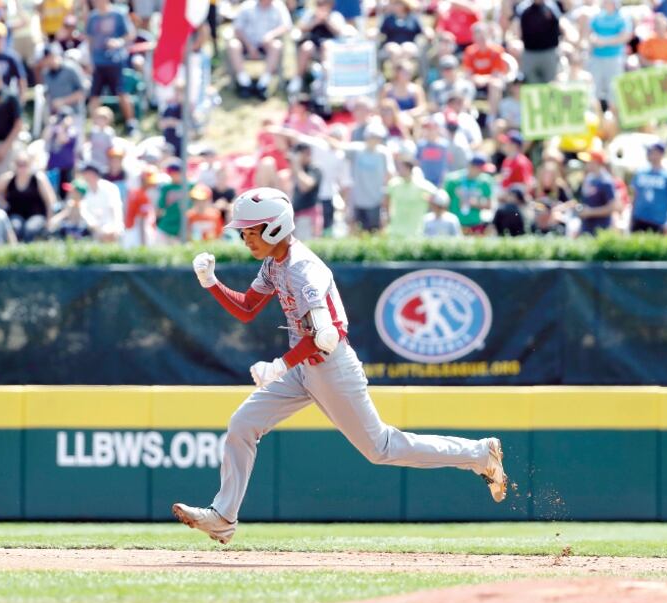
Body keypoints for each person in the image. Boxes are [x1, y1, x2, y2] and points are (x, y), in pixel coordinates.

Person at [171, 188, 507, 545]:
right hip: (303, 367)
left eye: (252, 231)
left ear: (274, 228)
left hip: (331, 367)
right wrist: (212, 283)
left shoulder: (303, 268)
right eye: (244, 231)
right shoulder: (273, 263)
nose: (245, 238)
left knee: (382, 448)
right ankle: (223, 517)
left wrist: (280, 366)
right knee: (242, 424)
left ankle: (478, 454)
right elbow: (248, 307)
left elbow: (327, 336)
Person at [85, 0, 137, 135]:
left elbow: (130, 34)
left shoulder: (118, 14)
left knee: (122, 93)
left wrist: (118, 42)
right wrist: (90, 60)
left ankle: (131, 123)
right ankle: (95, 127)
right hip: (98, 62)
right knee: (94, 96)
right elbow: (90, 40)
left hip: (115, 61)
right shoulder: (93, 17)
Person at [228, 0, 292, 100]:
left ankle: (263, 85)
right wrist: (249, 46)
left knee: (276, 45)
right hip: (246, 43)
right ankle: (244, 84)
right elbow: (237, 28)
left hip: (266, 46)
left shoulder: (279, 6)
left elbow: (287, 25)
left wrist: (271, 35)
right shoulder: (247, 6)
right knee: (233, 45)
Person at [0, 153, 58, 242]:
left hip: (36, 214)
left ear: (30, 164)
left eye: (25, 164)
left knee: (30, 229)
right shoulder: (9, 178)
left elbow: (50, 200)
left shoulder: (38, 178)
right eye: (19, 164)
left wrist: (50, 220)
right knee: (15, 227)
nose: (22, 167)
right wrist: (1, 200)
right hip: (16, 214)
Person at [588, 0, 632, 110]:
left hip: (614, 58)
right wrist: (593, 39)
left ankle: (614, 118)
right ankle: (595, 116)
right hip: (597, 57)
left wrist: (605, 41)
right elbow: (589, 32)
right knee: (594, 88)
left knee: (613, 90)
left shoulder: (622, 17)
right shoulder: (598, 16)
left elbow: (625, 36)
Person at [629, 141, 667, 234]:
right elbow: (635, 196)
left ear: (661, 154)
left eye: (655, 153)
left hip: (658, 221)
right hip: (639, 218)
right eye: (651, 152)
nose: (653, 155)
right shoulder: (641, 173)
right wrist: (631, 217)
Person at [512, 0, 566, 84]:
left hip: (549, 52)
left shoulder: (551, 6)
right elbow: (516, 28)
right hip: (530, 53)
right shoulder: (523, 7)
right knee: (530, 83)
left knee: (551, 83)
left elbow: (561, 24)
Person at [386, 154, 435, 238]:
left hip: (415, 232)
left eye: (401, 168)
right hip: (395, 230)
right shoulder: (394, 184)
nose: (399, 170)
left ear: (408, 169)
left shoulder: (422, 186)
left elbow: (437, 196)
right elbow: (386, 200)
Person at [443, 154, 494, 234]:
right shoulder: (453, 180)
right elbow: (444, 203)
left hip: (475, 223)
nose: (482, 172)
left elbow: (489, 205)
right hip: (455, 223)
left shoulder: (485, 181)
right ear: (471, 166)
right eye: (480, 169)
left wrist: (476, 204)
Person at [576, 149, 617, 235]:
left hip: (600, 228)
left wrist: (591, 212)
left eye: (589, 161)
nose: (587, 164)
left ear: (596, 163)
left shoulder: (606, 181)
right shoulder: (589, 178)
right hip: (587, 227)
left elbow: (612, 207)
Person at [288, 142, 321, 239]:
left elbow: (305, 186)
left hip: (308, 215)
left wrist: (296, 165)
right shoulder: (294, 170)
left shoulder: (315, 169)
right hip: (295, 215)